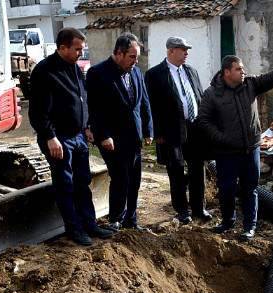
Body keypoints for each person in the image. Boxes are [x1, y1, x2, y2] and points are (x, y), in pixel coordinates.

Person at [198, 55, 273, 241]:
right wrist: (222, 138)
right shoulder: (212, 94)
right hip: (226, 153)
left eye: (243, 69)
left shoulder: (250, 85)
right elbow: (203, 120)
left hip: (250, 150)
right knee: (226, 188)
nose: (243, 72)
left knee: (250, 189)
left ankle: (249, 226)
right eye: (238, 69)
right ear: (227, 72)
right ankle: (227, 222)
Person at [29, 27, 113, 246]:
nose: (80, 53)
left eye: (82, 49)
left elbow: (81, 99)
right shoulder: (45, 71)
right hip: (59, 139)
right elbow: (37, 111)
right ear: (62, 47)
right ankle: (74, 229)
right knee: (65, 185)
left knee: (83, 182)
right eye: (77, 49)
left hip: (78, 136)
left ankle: (90, 224)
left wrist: (86, 126)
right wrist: (49, 136)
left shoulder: (75, 68)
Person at [86, 33, 153, 231]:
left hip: (135, 136)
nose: (136, 60)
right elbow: (95, 108)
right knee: (121, 178)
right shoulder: (98, 73)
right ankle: (115, 218)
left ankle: (131, 220)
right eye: (132, 56)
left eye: (137, 56)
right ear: (119, 53)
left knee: (135, 180)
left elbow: (144, 103)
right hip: (112, 138)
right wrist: (103, 134)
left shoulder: (136, 72)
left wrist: (148, 129)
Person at [144, 37, 212, 225]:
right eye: (183, 50)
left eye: (186, 50)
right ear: (171, 51)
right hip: (171, 130)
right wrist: (156, 132)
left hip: (194, 127)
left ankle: (199, 208)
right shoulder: (155, 74)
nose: (186, 53)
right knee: (176, 169)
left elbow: (198, 96)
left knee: (198, 168)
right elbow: (151, 106)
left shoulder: (191, 71)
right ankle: (182, 210)